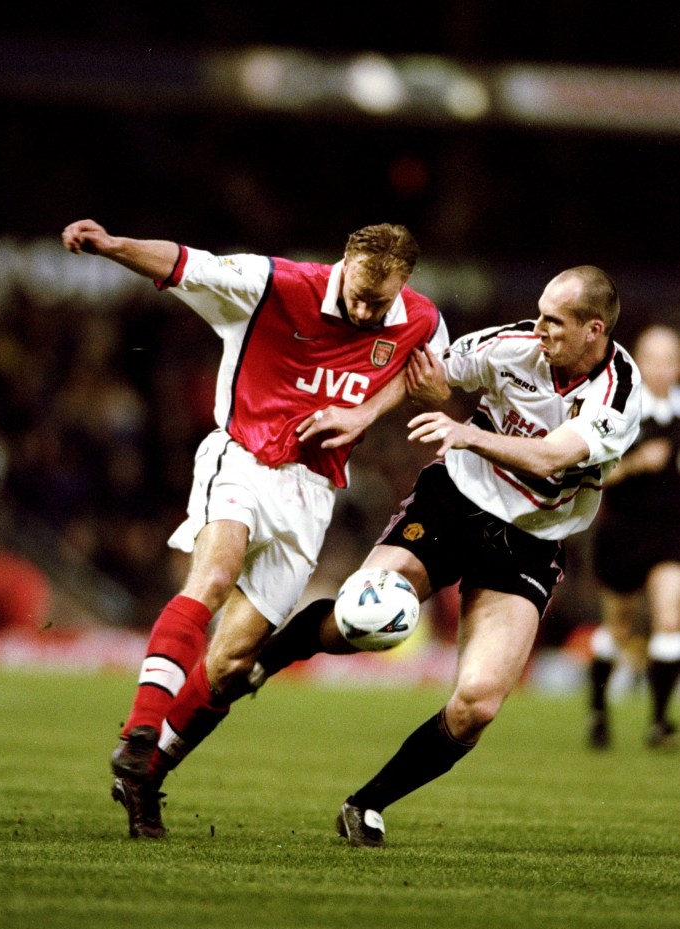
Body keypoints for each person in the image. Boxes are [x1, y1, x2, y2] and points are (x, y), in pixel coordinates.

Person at [61, 217, 450, 838]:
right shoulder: (275, 283)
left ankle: (147, 778)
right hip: (242, 455)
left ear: (405, 285)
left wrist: (363, 414)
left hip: (312, 492)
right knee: (212, 575)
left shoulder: (422, 320)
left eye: (380, 301)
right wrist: (111, 246)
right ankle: (140, 728)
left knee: (233, 664)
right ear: (342, 264)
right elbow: (186, 262)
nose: (364, 306)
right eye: (357, 291)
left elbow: (421, 377)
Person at [242, 264, 642, 848]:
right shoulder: (513, 344)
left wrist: (467, 430)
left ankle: (366, 804)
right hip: (456, 500)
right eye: (539, 313)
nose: (539, 328)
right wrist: (370, 410)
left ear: (593, 330)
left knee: (477, 706)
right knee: (360, 618)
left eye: (554, 322)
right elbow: (424, 370)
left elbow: (554, 457)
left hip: (528, 539)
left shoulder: (619, 394)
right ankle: (256, 665)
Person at [587, 323, 680, 750]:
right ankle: (598, 712)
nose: (662, 368)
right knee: (618, 628)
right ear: (639, 361)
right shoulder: (618, 410)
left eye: (671, 359)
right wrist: (637, 463)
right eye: (654, 358)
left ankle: (659, 722)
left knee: (669, 619)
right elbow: (589, 478)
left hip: (669, 534)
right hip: (622, 533)